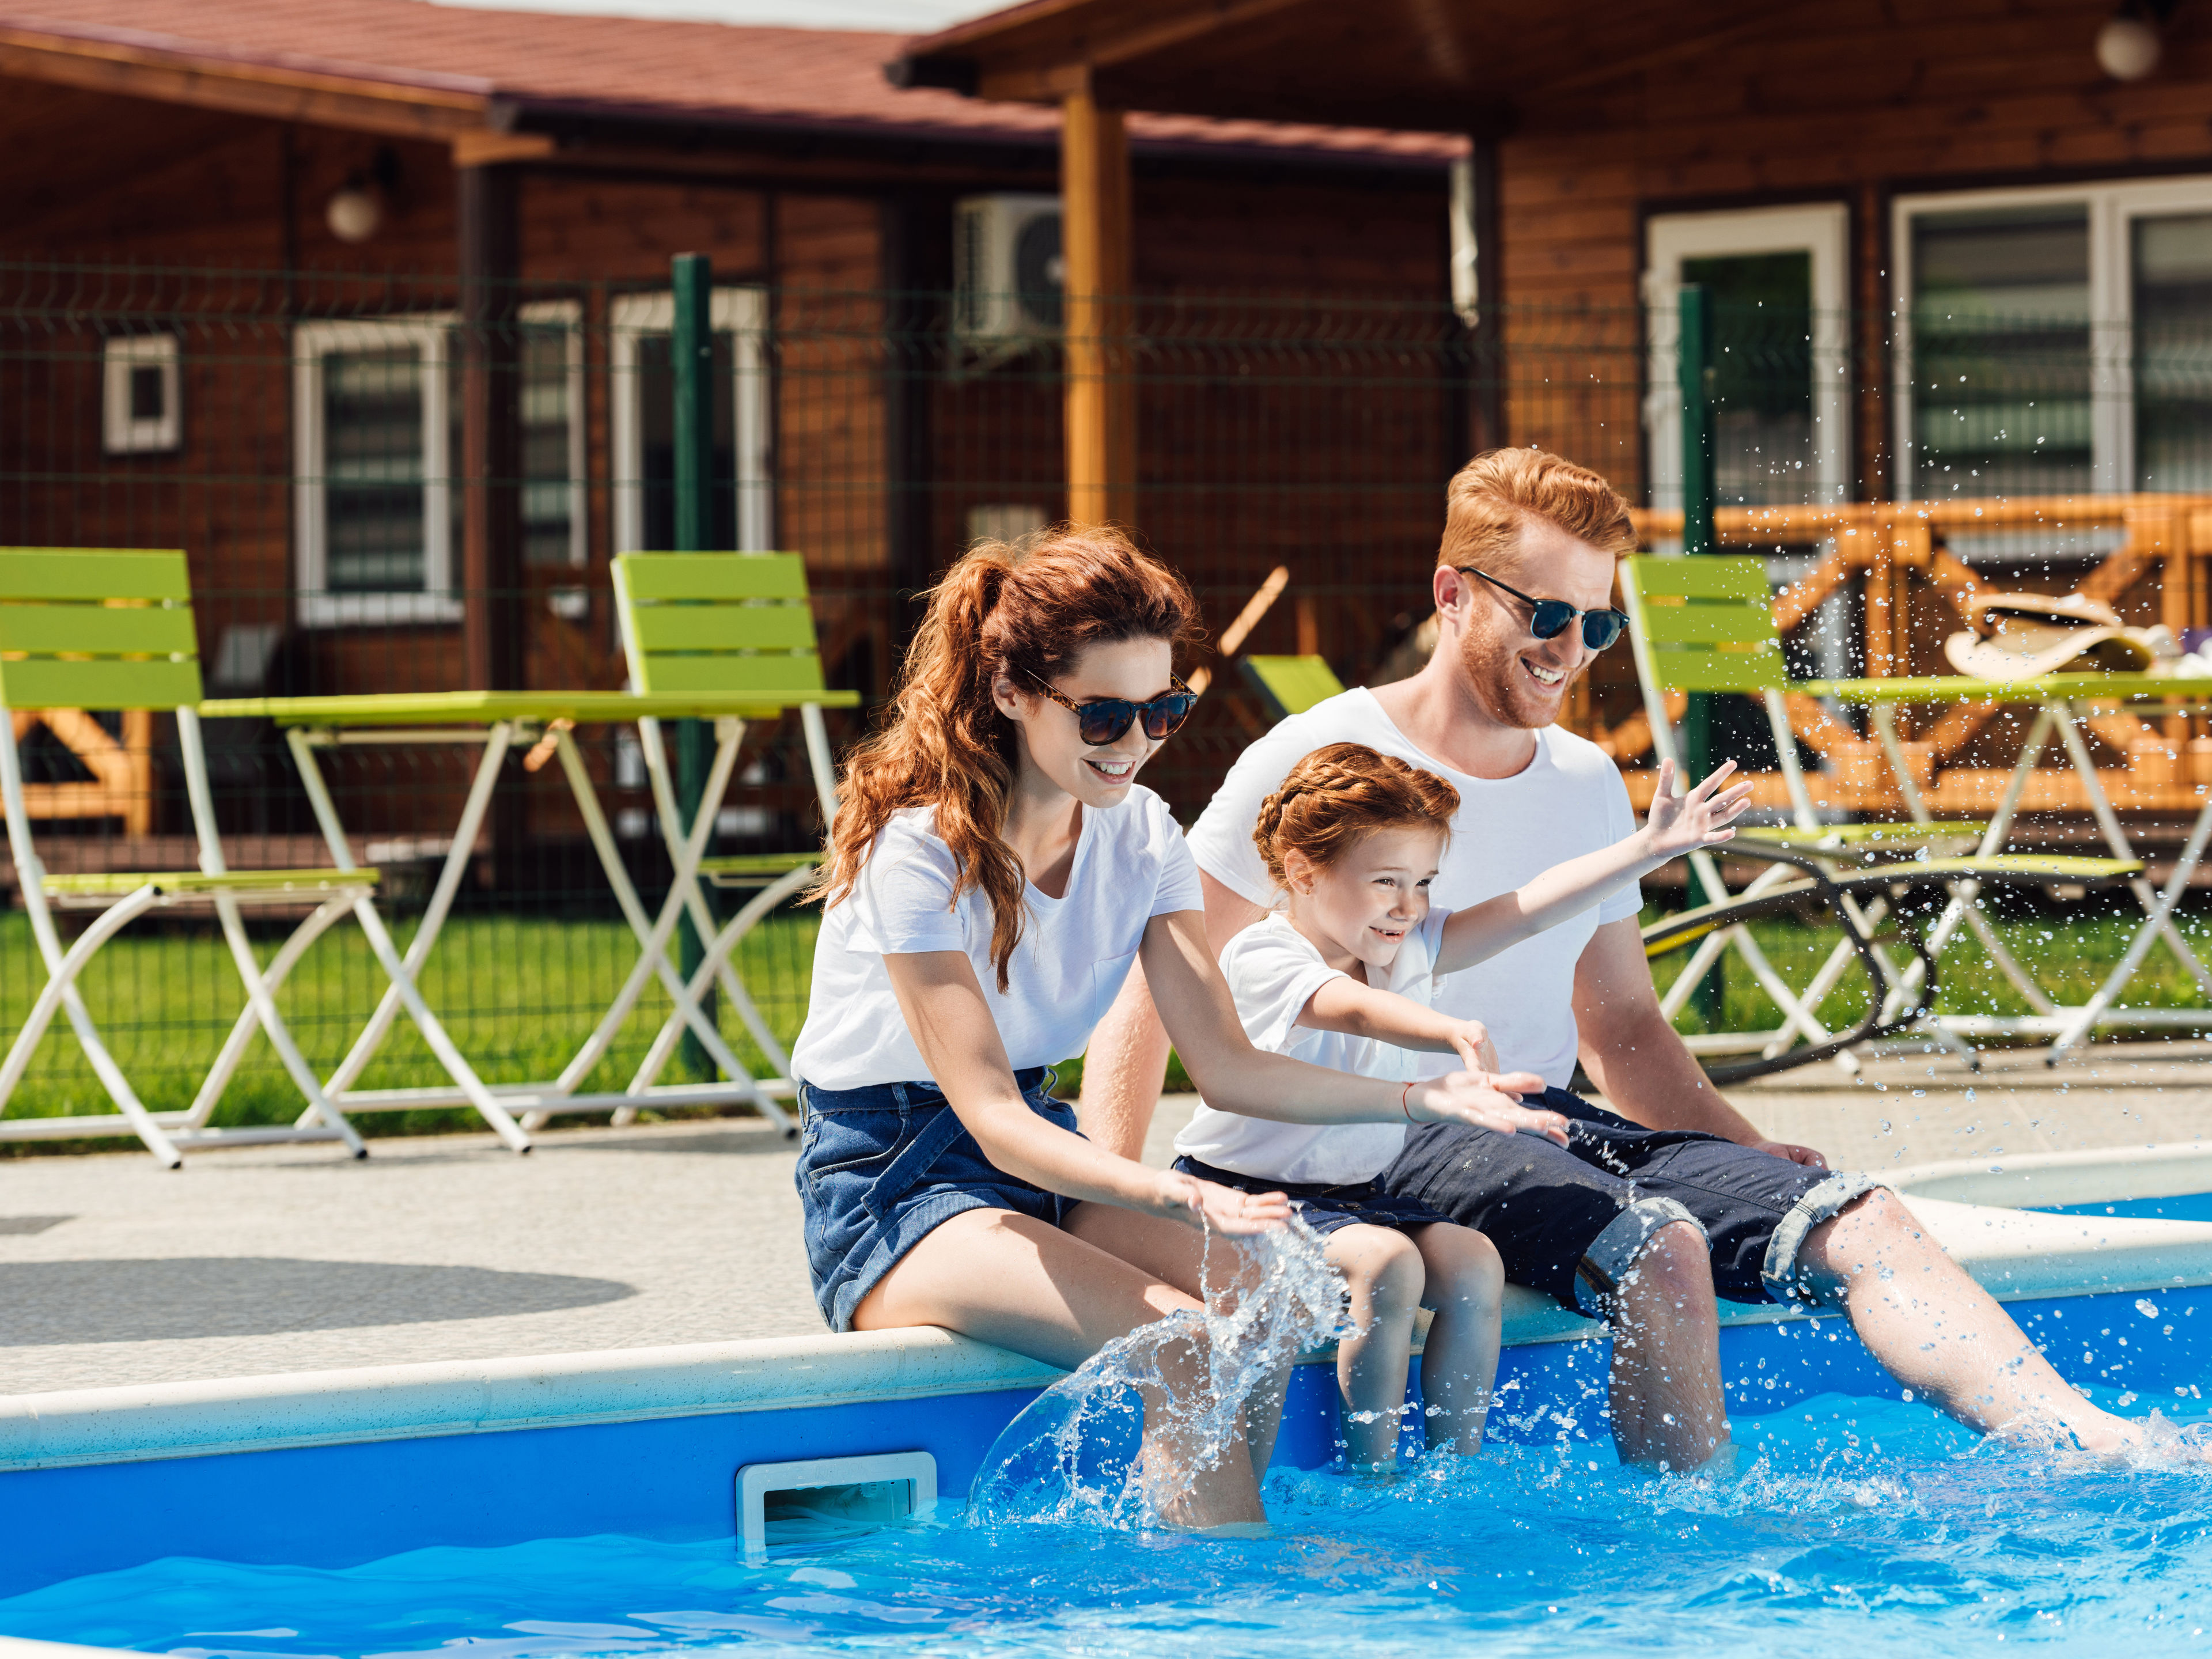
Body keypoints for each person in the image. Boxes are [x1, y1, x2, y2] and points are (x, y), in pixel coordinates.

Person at [1081, 448, 2161, 1469]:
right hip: (1387, 1128)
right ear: (1452, 595)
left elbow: (1625, 1029)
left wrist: (1743, 1151)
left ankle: (2083, 1441)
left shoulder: (1589, 781)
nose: (1573, 649)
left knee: (1851, 1213)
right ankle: (1685, 1570)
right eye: (1546, 614)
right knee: (1659, 1247)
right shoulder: (1317, 754)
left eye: (1598, 622)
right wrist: (1112, 1194)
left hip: (1535, 1120)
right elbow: (1159, 980)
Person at [788, 524, 1560, 1529]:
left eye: (1163, 711)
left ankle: (1228, 1559)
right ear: (1013, 693)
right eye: (1104, 716)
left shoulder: (1142, 833)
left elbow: (1231, 1066)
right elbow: (987, 1117)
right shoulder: (920, 855)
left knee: (1278, 1297)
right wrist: (1174, 1195)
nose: (1136, 744)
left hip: (1032, 1159)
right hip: (895, 1183)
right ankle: (1217, 1612)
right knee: (1184, 1345)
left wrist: (1420, 1097)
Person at [1173, 740, 1749, 1468]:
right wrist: (1447, 1029)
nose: (1409, 906)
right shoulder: (1266, 954)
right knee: (1386, 1268)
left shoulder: (1405, 942)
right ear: (1303, 872)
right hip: (1246, 1193)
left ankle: (1453, 1472)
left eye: (1423, 882)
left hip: (1355, 1193)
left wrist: (1644, 848)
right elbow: (1346, 1010)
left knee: (1474, 1266)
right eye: (1387, 881)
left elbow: (1528, 908)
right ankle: (1372, 1479)